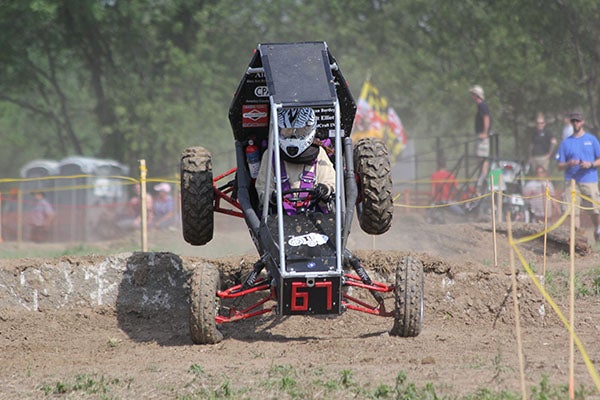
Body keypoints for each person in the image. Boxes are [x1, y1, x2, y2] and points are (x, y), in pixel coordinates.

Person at [255, 107, 335, 214]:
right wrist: (271, 196)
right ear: (279, 130)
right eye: (287, 131)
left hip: (314, 213)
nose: (293, 135)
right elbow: (263, 186)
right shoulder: (271, 154)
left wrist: (325, 189)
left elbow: (330, 180)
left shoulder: (319, 152)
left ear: (309, 130)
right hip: (280, 215)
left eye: (299, 131)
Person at [555, 111, 600, 241]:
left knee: (595, 208)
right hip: (571, 181)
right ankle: (577, 238)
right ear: (571, 122)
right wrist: (568, 163)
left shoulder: (591, 140)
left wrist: (590, 164)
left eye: (578, 121)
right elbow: (559, 165)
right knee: (572, 210)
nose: (576, 123)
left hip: (589, 179)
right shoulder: (565, 143)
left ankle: (598, 229)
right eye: (574, 121)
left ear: (583, 122)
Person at [469, 85, 492, 189]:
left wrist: (484, 133)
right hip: (480, 135)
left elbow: (486, 119)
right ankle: (482, 177)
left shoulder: (482, 105)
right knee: (480, 157)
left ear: (476, 95)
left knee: (483, 158)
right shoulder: (481, 106)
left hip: (483, 136)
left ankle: (483, 178)